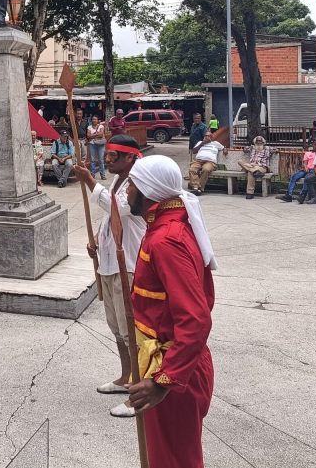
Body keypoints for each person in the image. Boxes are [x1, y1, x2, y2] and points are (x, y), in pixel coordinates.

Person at [124, 155, 216, 468]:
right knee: (164, 458)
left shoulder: (167, 239)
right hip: (168, 361)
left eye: (132, 185)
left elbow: (196, 319)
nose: (127, 191)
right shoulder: (164, 226)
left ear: (148, 189)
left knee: (175, 462)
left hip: (175, 369)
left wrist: (164, 381)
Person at [74, 135, 146, 419]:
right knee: (117, 327)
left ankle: (138, 393)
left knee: (132, 331)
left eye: (114, 154)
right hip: (108, 264)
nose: (108, 157)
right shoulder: (118, 180)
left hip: (127, 265)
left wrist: (90, 180)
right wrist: (98, 244)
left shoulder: (138, 184)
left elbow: (118, 208)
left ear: (130, 157)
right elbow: (110, 219)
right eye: (108, 153)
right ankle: (125, 376)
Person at [279, 138, 316, 203]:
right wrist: (305, 167)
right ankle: (288, 195)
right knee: (294, 176)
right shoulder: (308, 153)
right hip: (306, 169)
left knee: (307, 179)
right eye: (315, 145)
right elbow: (305, 163)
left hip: (314, 171)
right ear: (312, 145)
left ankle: (302, 196)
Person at [237, 135, 276, 200]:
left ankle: (250, 193)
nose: (259, 143)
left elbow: (276, 149)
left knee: (250, 172)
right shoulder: (252, 148)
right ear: (255, 142)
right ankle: (254, 171)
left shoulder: (268, 148)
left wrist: (275, 150)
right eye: (257, 142)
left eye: (260, 142)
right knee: (239, 161)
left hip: (262, 167)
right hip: (252, 166)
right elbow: (244, 149)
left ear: (263, 142)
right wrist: (247, 148)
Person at [86, 115, 107, 180]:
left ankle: (102, 174)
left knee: (101, 159)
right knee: (92, 160)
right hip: (92, 144)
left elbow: (101, 134)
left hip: (100, 144)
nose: (94, 120)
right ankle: (92, 174)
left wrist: (93, 135)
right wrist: (96, 134)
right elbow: (88, 136)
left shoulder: (101, 126)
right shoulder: (89, 127)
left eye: (95, 119)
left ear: (98, 120)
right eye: (93, 119)